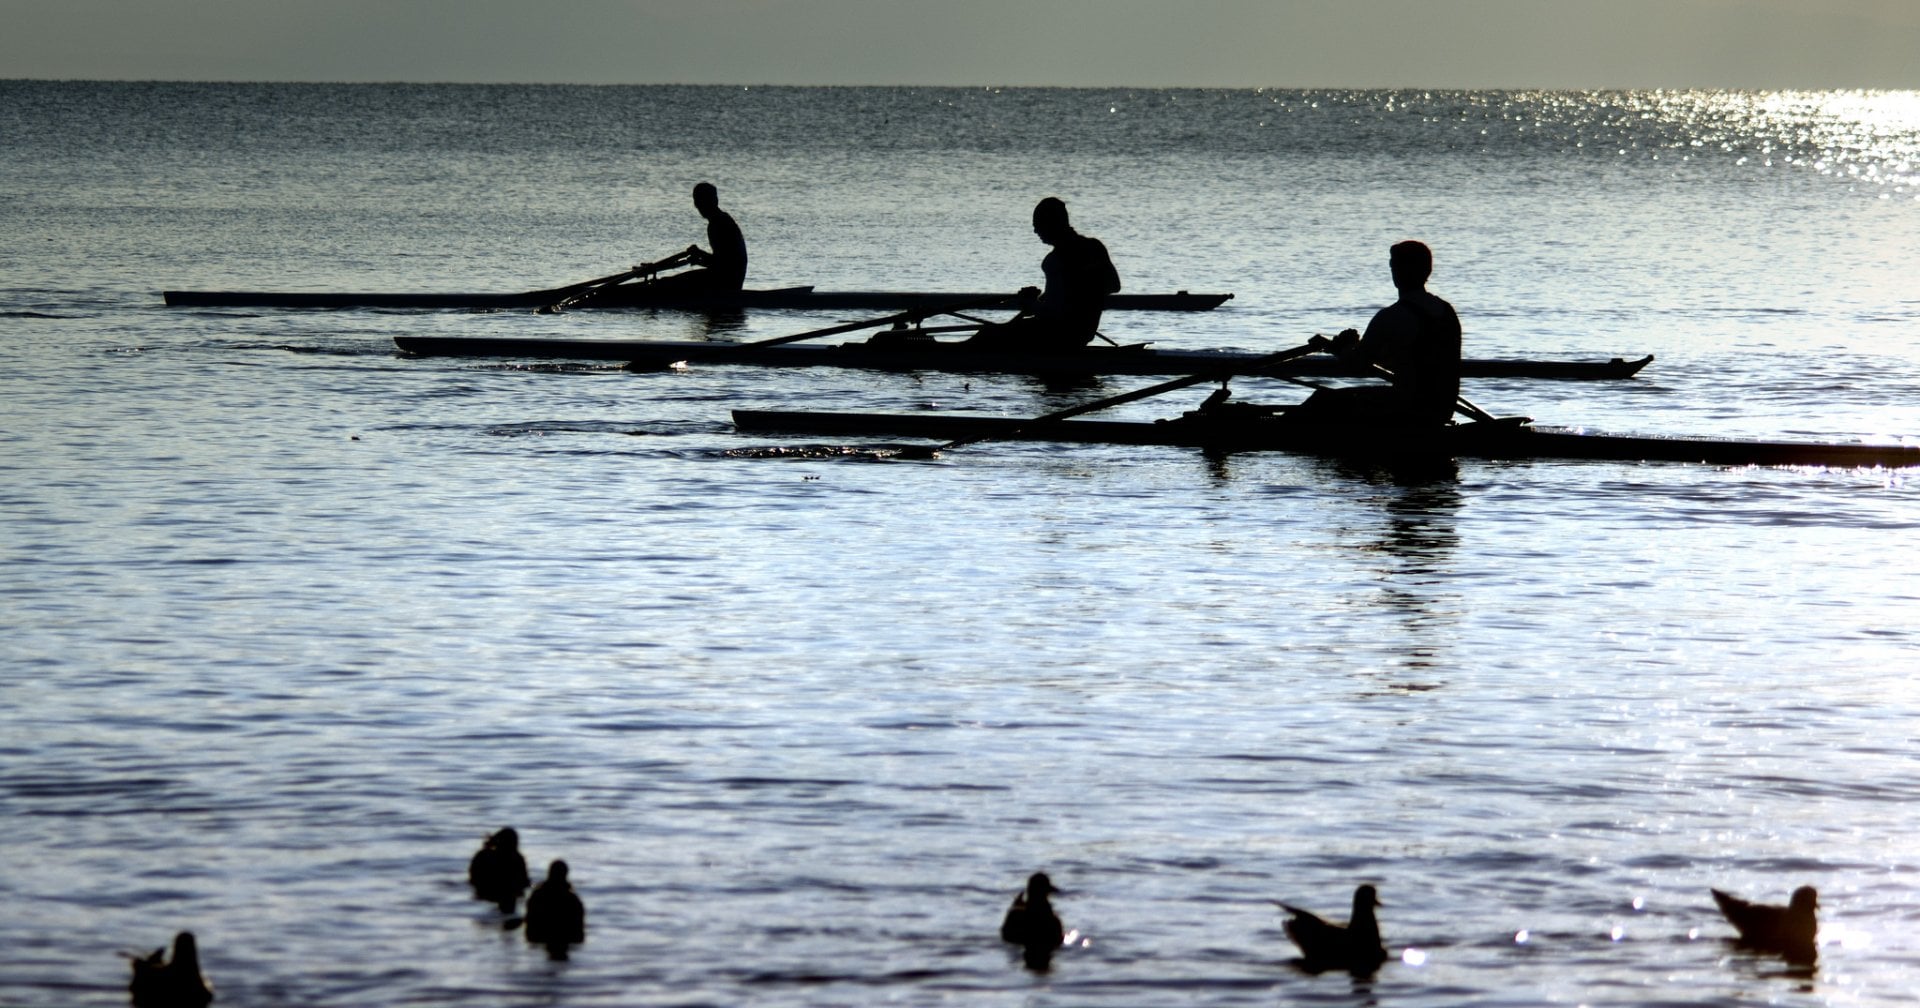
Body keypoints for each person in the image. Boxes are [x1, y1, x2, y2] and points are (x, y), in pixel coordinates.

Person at [1297, 240, 1463, 427]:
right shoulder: (1448, 311)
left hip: (1407, 410)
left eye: (1393, 264)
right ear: (1428, 270)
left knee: (1323, 399)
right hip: (1442, 410)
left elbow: (1356, 366)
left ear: (1398, 271)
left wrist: (1342, 348)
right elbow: (1412, 356)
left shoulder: (1391, 316)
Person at [968, 197, 1120, 351]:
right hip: (1072, 331)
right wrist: (1036, 300)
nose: (1035, 231)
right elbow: (1063, 298)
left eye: (1038, 225)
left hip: (1060, 333)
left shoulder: (1065, 257)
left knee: (988, 334)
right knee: (990, 332)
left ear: (1052, 224)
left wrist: (1033, 305)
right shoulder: (1092, 247)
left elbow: (1061, 309)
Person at [648, 182, 747, 295]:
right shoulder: (723, 219)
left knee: (666, 284)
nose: (698, 205)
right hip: (730, 279)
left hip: (726, 282)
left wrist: (699, 255)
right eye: (698, 201)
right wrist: (699, 257)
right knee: (669, 282)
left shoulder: (718, 224)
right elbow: (722, 262)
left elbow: (723, 264)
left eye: (701, 201)